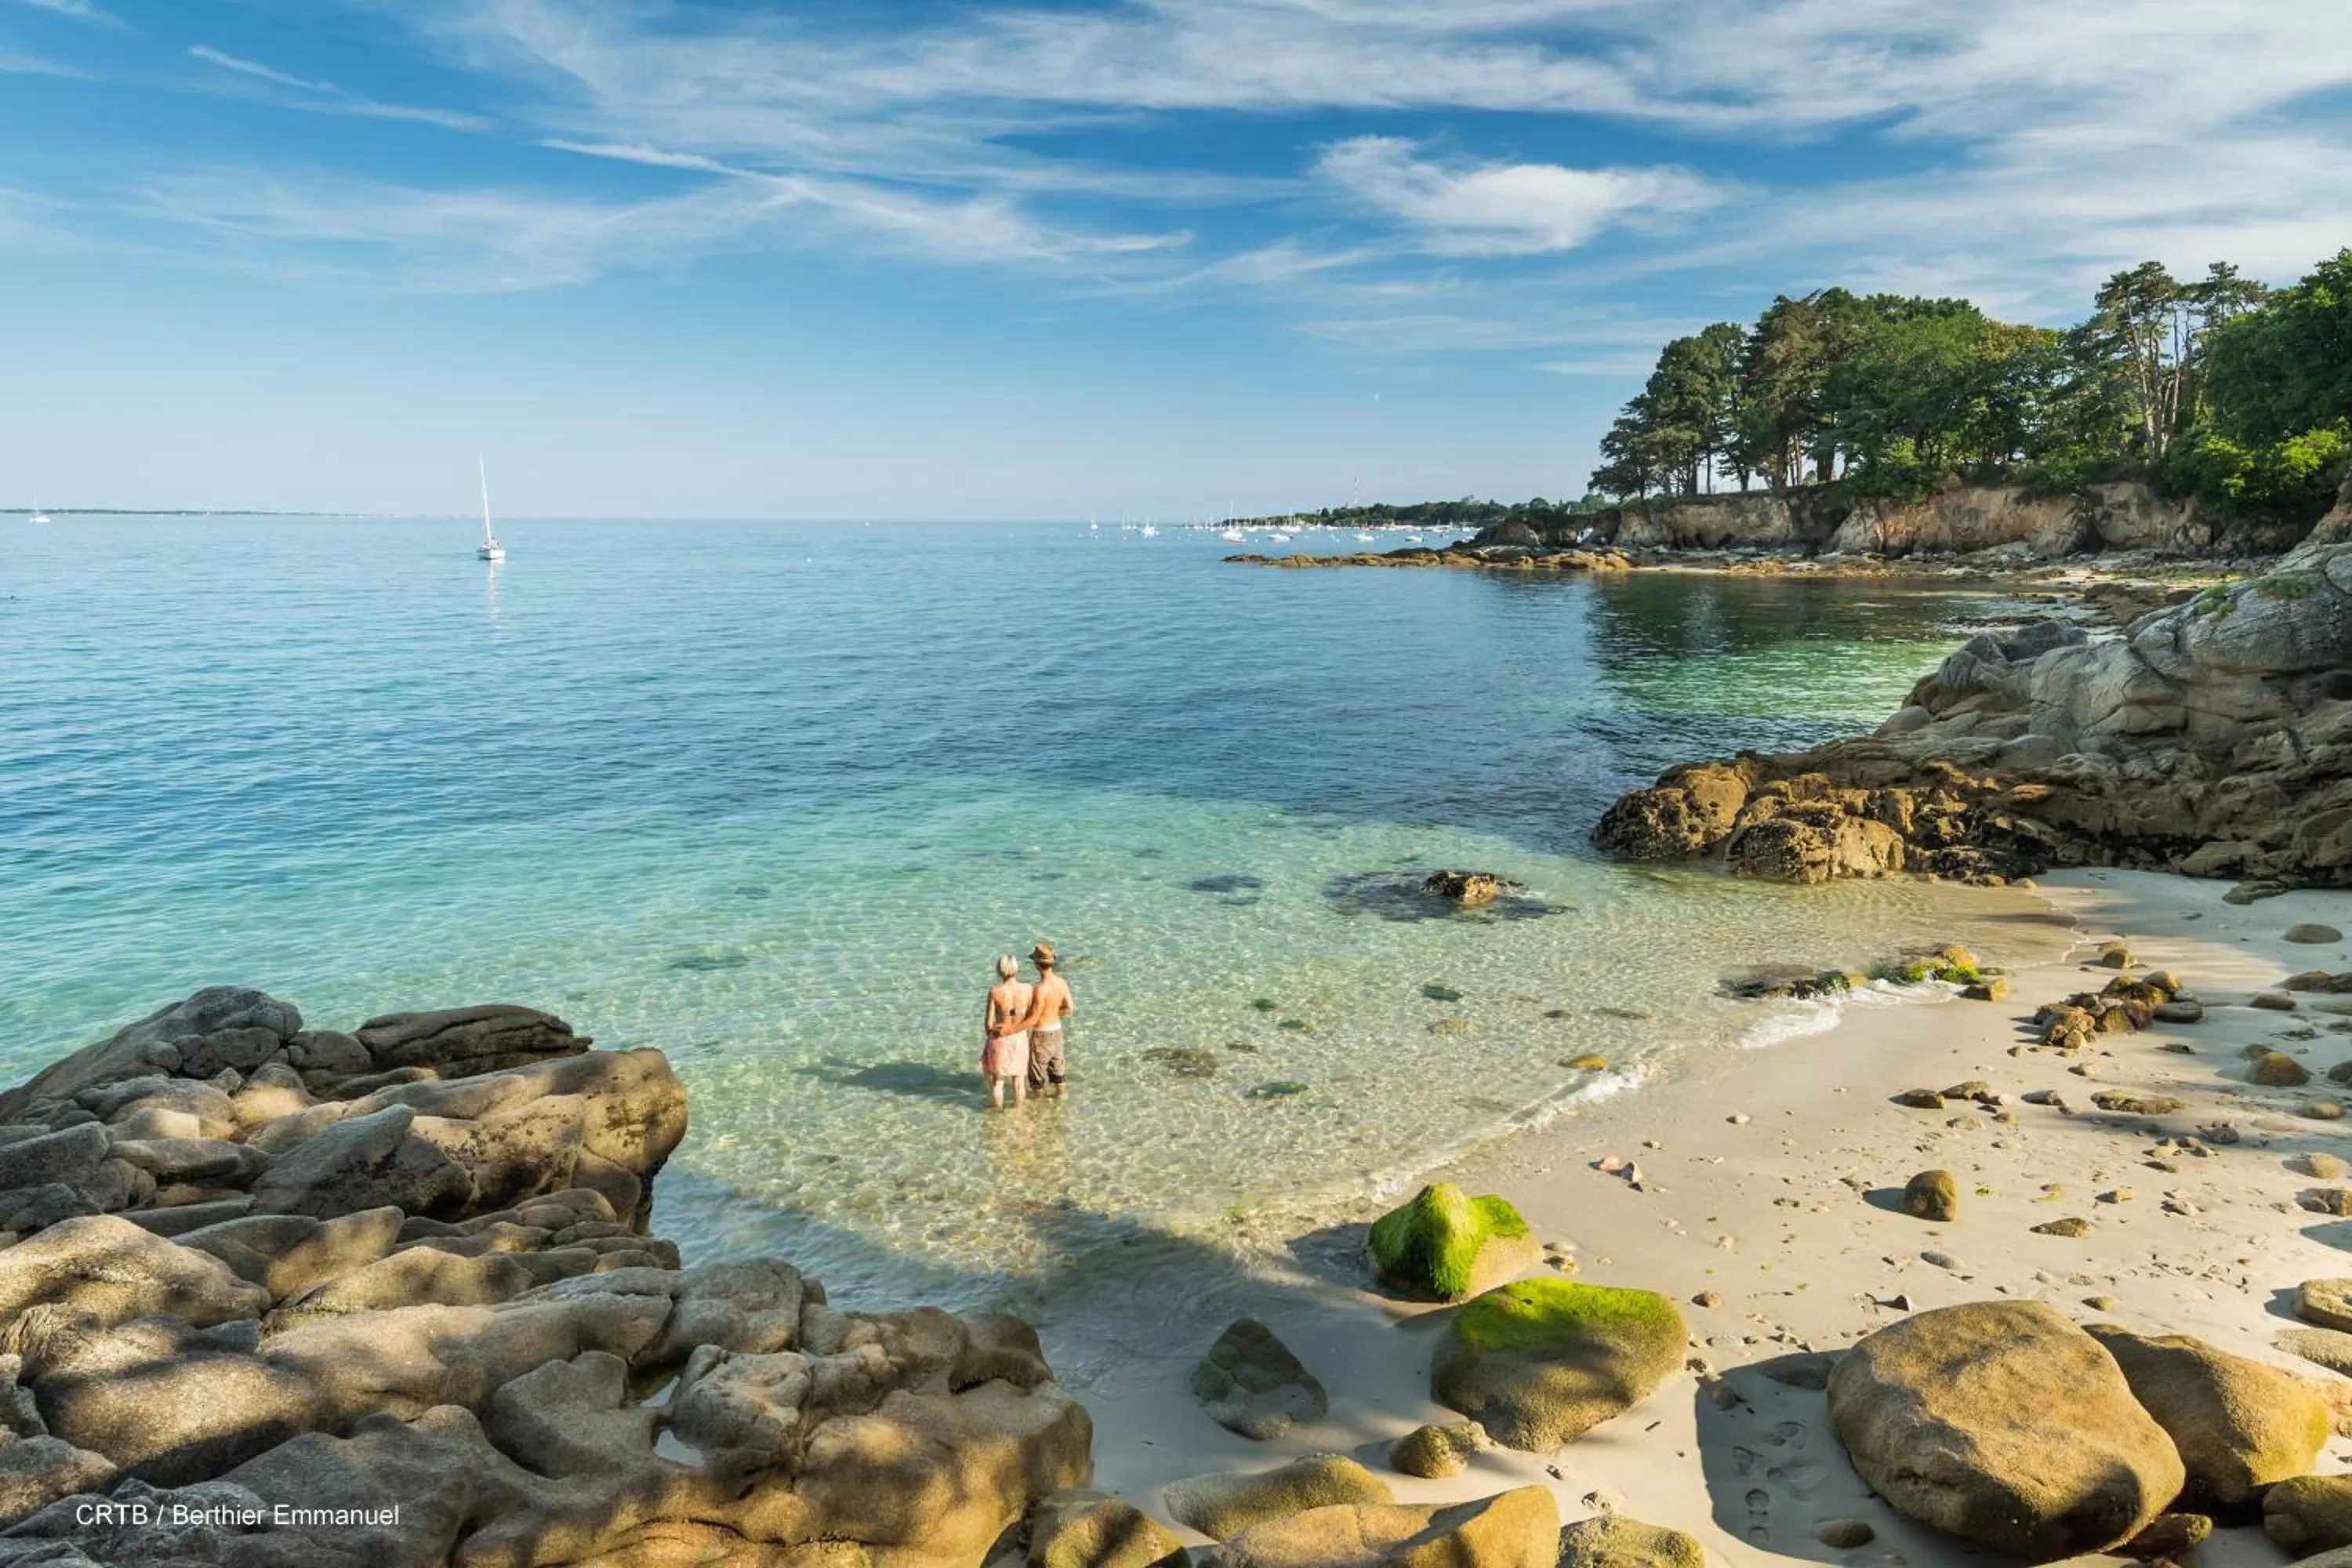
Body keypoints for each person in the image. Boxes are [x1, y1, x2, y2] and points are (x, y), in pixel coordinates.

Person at [991, 942, 1074, 1098]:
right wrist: (1052, 1014)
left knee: (1037, 1077)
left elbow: (1032, 1019)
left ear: (1037, 964)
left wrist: (1009, 1030)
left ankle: (1038, 1108)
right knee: (1058, 1071)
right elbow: (1069, 1009)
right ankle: (1062, 1099)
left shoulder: (1039, 989)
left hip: (1041, 1035)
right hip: (1057, 1031)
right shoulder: (1061, 982)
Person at [982, 956, 1033, 1110]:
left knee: (998, 1080)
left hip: (1000, 1037)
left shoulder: (995, 991)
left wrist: (991, 1035)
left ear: (999, 970)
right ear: (1016, 968)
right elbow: (1031, 1016)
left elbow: (989, 1024)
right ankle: (1019, 1112)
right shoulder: (1028, 989)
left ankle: (997, 1114)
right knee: (1019, 1081)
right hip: (1019, 1037)